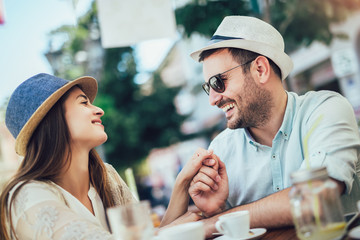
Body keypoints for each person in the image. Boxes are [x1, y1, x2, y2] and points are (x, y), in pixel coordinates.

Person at [186, 15, 360, 237]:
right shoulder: (220, 151)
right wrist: (218, 211)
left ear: (260, 69)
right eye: (207, 87)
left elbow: (314, 199)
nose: (212, 99)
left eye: (218, 82)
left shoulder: (325, 110)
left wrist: (214, 222)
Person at [0, 73, 216, 239]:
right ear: (51, 120)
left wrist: (182, 185)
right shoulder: (27, 196)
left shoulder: (106, 176)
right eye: (84, 102)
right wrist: (199, 226)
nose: (99, 110)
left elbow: (146, 235)